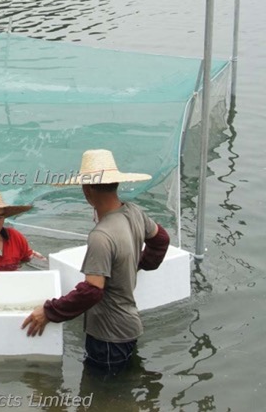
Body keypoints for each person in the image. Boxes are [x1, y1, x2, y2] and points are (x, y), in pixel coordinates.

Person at [22, 149, 170, 374]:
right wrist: (136, 264)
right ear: (116, 184)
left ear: (86, 188)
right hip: (130, 328)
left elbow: (92, 290)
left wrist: (49, 311)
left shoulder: (101, 236)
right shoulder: (135, 212)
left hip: (107, 339)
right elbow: (161, 239)